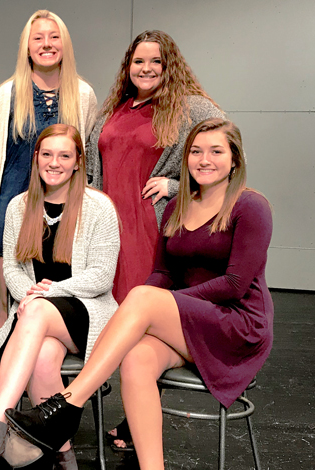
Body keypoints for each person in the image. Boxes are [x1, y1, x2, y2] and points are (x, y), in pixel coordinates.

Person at [5, 118, 274, 470]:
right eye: (195, 151)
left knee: (144, 298)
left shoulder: (250, 206)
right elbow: (162, 273)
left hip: (236, 324)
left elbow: (235, 285)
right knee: (136, 360)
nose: (204, 159)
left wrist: (163, 304)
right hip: (189, 321)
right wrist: (150, 305)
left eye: (216, 151)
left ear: (235, 160)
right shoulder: (178, 205)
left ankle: (68, 404)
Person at [85, 30, 224, 450]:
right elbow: (96, 164)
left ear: (170, 66)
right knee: (105, 316)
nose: (146, 69)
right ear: (128, 67)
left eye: (156, 62)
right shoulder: (117, 106)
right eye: (138, 62)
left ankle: (134, 423)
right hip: (109, 230)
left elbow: (223, 156)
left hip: (149, 230)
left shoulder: (190, 108)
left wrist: (178, 182)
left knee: (144, 326)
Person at [0, 124, 120, 470]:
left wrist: (48, 292)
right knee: (43, 359)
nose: (54, 162)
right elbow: (11, 268)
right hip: (37, 315)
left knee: (38, 311)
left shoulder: (99, 207)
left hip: (86, 311)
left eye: (64, 155)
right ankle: (63, 455)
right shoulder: (18, 207)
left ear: (78, 162)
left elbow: (102, 276)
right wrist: (27, 293)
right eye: (47, 154)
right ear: (36, 159)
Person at [0, 10, 98, 333]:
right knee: (11, 316)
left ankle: (52, 380)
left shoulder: (83, 95)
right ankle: (11, 379)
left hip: (66, 216)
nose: (46, 44)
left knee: (59, 305)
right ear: (27, 47)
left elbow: (86, 153)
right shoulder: (7, 95)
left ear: (65, 44)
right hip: (13, 216)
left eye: (54, 37)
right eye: (38, 38)